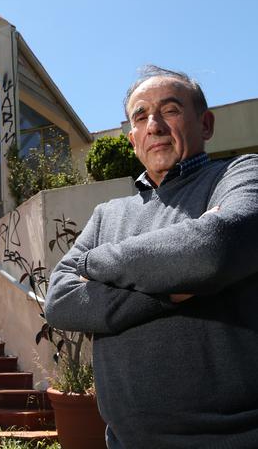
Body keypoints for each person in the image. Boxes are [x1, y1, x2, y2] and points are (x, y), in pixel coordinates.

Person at [45, 65, 258, 449]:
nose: (154, 125)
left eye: (171, 110)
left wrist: (94, 264)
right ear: (132, 139)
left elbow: (214, 250)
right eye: (140, 116)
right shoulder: (107, 214)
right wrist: (172, 287)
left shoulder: (240, 175)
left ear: (205, 124)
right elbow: (60, 302)